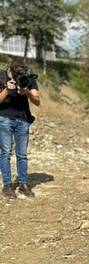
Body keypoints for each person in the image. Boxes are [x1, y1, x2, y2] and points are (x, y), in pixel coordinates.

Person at [0, 59, 40, 198]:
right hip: (4, 118)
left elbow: (37, 101)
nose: (17, 76)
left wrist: (27, 92)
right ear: (9, 70)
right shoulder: (1, 76)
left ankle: (23, 184)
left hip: (22, 119)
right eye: (15, 73)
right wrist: (7, 89)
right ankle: (7, 185)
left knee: (22, 154)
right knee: (5, 152)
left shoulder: (27, 78)